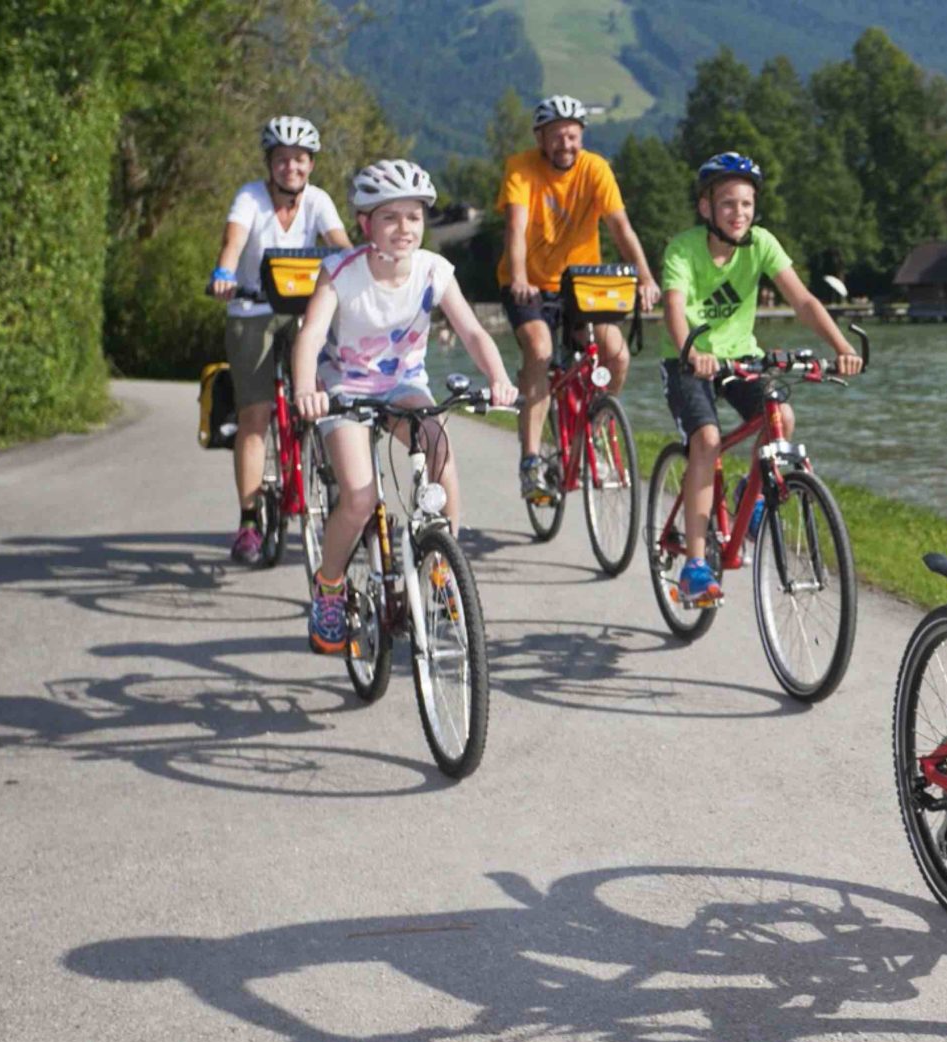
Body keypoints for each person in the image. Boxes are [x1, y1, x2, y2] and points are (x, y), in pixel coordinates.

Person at [291, 160, 518, 655]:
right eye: (390, 217)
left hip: (403, 383)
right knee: (357, 494)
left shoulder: (434, 271)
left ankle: (443, 566)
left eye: (414, 217)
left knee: (439, 451)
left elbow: (473, 332)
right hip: (344, 386)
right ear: (365, 223)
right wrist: (307, 387)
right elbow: (310, 336)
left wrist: (499, 378)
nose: (404, 228)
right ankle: (329, 588)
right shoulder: (340, 273)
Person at [659, 152, 863, 607]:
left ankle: (748, 502)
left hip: (742, 358)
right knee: (707, 440)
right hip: (687, 360)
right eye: (729, 204)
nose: (739, 213)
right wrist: (692, 351)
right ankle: (694, 566)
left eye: (747, 204)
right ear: (706, 208)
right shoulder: (683, 249)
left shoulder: (762, 244)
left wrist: (841, 348)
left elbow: (804, 301)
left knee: (782, 419)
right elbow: (673, 308)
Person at [498, 93, 661, 501]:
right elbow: (516, 228)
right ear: (540, 138)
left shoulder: (596, 169)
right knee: (538, 351)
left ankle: (599, 424)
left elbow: (621, 227)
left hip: (582, 283)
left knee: (616, 355)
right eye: (556, 137)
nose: (565, 145)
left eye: (572, 137)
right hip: (530, 284)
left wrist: (645, 277)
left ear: (581, 136)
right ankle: (531, 460)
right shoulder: (521, 168)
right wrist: (519, 277)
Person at [208, 116, 353, 564]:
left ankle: (333, 478)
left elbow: (340, 244)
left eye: (300, 160)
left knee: (326, 392)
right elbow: (234, 240)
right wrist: (225, 273)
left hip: (304, 308)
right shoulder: (250, 197)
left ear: (311, 165)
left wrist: (356, 270)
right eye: (282, 159)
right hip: (252, 309)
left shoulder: (319, 200)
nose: (291, 167)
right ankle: (249, 521)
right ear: (270, 164)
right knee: (255, 414)